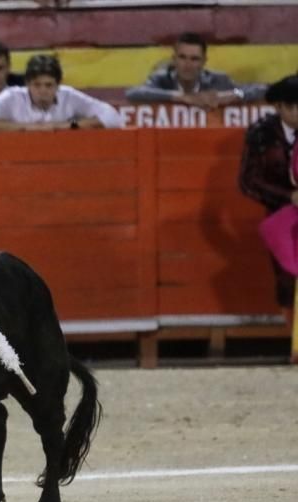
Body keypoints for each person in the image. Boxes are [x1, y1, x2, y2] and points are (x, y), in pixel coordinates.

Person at [239, 75, 298, 310]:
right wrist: (289, 197)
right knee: (287, 281)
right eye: (294, 107)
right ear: (279, 107)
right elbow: (248, 181)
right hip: (282, 217)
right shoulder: (262, 133)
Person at [0, 54, 124, 132]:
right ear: (27, 84)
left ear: (58, 85)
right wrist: (26, 128)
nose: (43, 91)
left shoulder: (68, 95)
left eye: (49, 85)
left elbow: (113, 117)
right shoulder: (13, 96)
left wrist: (68, 126)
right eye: (37, 85)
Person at [125, 32, 266, 109]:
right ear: (174, 60)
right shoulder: (162, 79)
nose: (188, 64)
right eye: (182, 57)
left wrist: (234, 94)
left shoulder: (217, 80)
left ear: (204, 62)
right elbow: (132, 93)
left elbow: (263, 89)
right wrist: (179, 96)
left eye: (194, 59)